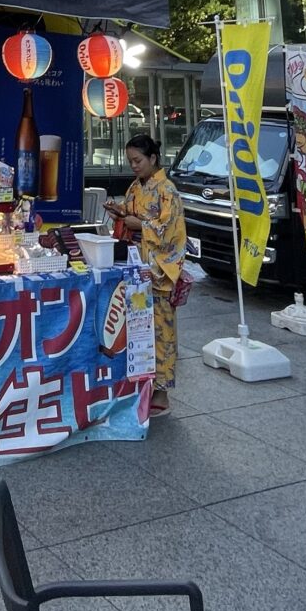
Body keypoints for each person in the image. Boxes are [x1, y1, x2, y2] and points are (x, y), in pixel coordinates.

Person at [104, 133, 184, 416]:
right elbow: (131, 214)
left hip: (158, 270)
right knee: (141, 329)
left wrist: (140, 224)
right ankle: (144, 385)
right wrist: (120, 213)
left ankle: (161, 395)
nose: (134, 166)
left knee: (161, 332)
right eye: (130, 161)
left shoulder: (167, 190)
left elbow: (170, 231)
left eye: (138, 160)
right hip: (137, 265)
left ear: (153, 158)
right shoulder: (136, 187)